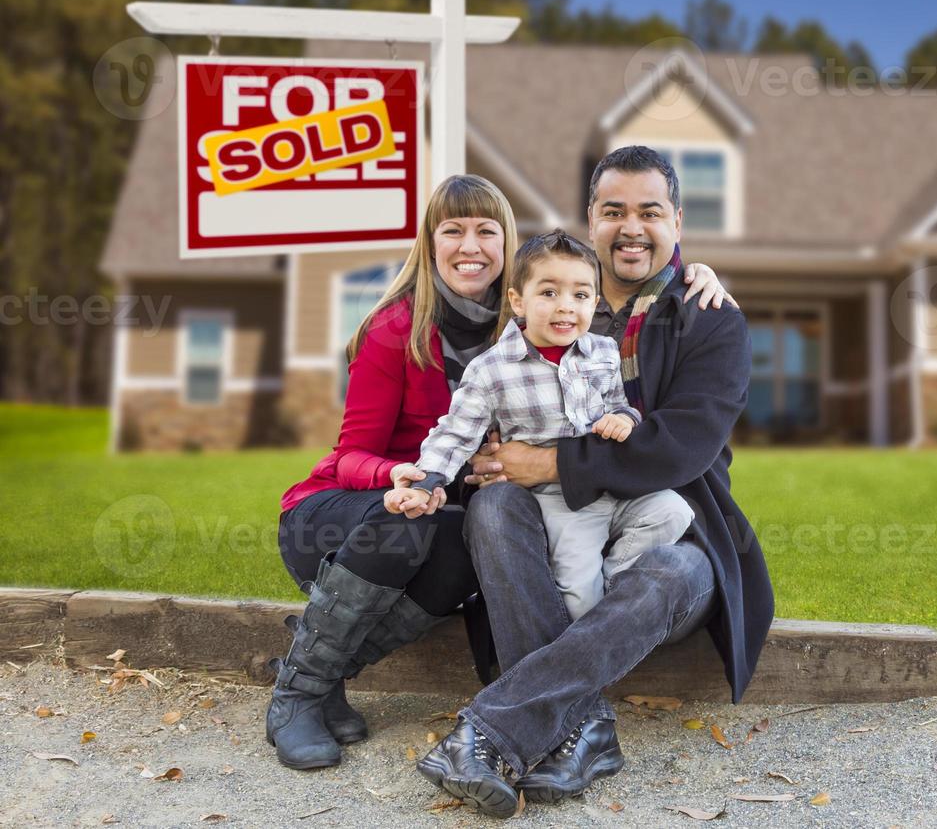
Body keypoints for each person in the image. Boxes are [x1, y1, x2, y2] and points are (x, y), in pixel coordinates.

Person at [269, 173, 733, 771]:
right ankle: (299, 694)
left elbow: (617, 282)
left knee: (469, 538)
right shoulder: (396, 330)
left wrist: (699, 270)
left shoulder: (537, 320)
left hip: (446, 514)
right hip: (352, 512)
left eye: (487, 231)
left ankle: (328, 675)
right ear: (429, 243)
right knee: (417, 521)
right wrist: (411, 476)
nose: (471, 246)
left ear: (509, 250)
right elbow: (348, 456)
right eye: (453, 230)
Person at [415, 146, 774, 817]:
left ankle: (493, 730)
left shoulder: (708, 316)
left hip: (674, 527)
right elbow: (458, 310)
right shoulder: (550, 297)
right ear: (590, 219)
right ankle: (586, 730)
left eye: (649, 212)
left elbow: (680, 451)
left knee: (670, 572)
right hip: (552, 528)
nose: (631, 227)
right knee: (493, 507)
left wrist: (551, 462)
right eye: (614, 212)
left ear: (677, 220)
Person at [386, 229, 693, 622]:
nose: (566, 307)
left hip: (612, 487)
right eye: (549, 293)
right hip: (560, 501)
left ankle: (617, 580)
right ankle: (591, 621)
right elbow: (455, 433)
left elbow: (619, 404)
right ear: (518, 301)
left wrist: (624, 419)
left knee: (673, 511)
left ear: (594, 302)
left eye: (580, 295)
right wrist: (426, 480)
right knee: (580, 600)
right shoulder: (491, 370)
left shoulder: (602, 352)